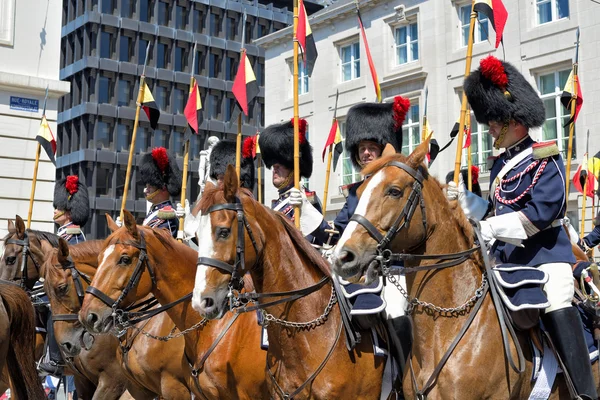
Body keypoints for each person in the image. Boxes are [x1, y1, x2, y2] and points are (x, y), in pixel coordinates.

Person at [450, 55, 596, 399]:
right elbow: (493, 211)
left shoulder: (545, 157)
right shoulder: (500, 163)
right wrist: (460, 202)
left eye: (493, 122)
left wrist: (488, 229)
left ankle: (583, 390)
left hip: (545, 255)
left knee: (559, 294)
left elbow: (541, 214)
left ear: (512, 120)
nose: (489, 128)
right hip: (505, 260)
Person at [333, 96, 410, 235]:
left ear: (383, 151)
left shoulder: (396, 188)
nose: (366, 153)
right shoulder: (353, 193)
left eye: (372, 148)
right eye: (362, 148)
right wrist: (307, 212)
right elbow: (334, 233)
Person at [38, 175, 90, 377]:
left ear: (68, 212)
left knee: (53, 307)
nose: (55, 210)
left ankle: (55, 358)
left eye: (58, 207)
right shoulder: (63, 235)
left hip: (71, 291)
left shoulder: (73, 236)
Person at [258, 118, 329, 245]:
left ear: (293, 168)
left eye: (279, 166)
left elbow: (315, 238)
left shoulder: (307, 199)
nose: (274, 170)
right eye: (273, 167)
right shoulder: (278, 203)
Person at [137, 147, 182, 238]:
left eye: (151, 186)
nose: (146, 189)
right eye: (147, 186)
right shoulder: (154, 212)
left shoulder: (167, 215)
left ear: (163, 188)